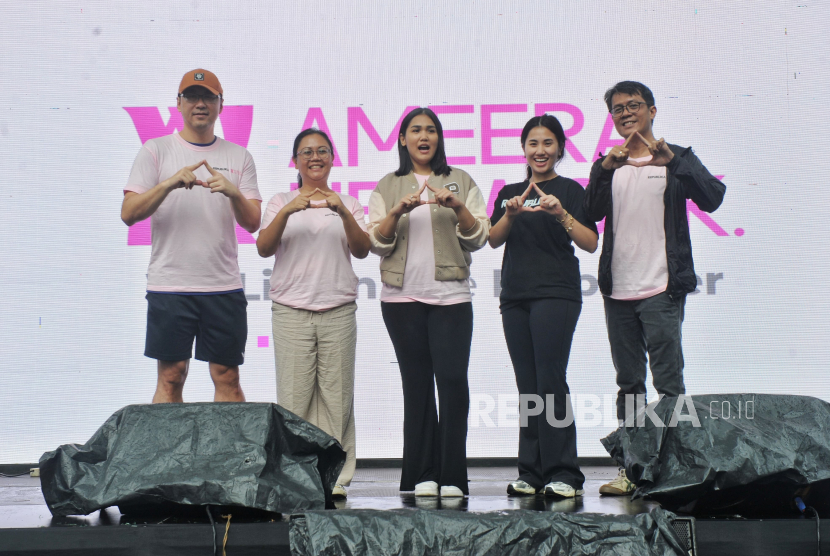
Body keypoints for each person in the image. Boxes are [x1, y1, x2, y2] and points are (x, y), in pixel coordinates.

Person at [583, 81, 726, 495]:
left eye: (634, 105)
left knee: (670, 386)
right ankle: (633, 468)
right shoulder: (608, 162)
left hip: (661, 288)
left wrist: (675, 164)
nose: (626, 113)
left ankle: (676, 469)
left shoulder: (676, 157)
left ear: (653, 110)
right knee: (629, 385)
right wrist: (604, 171)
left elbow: (713, 198)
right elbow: (590, 213)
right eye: (617, 109)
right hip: (617, 291)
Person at [367, 108, 490, 498]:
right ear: (402, 139)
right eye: (416, 130)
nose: (424, 136)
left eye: (431, 130)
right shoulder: (388, 185)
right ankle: (422, 473)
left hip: (451, 297)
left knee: (453, 383)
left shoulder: (461, 181)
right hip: (401, 298)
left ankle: (453, 473)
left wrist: (455, 207)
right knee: (416, 385)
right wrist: (397, 211)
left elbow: (478, 237)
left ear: (439, 138)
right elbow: (376, 242)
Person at [121, 69, 262, 404]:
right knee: (171, 378)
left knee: (228, 378)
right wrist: (168, 183)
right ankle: (168, 459)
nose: (201, 104)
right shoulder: (156, 150)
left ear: (220, 105)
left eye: (209, 97)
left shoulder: (238, 156)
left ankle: (231, 458)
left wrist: (233, 193)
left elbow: (253, 222)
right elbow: (129, 213)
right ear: (179, 104)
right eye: (193, 97)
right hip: (170, 285)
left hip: (222, 285)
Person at [256, 128, 370, 499]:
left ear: (333, 159)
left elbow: (363, 249)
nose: (315, 157)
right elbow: (263, 247)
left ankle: (337, 476)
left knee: (338, 398)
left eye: (322, 151)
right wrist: (290, 210)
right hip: (291, 311)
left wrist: (341, 211)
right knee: (293, 397)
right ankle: (295, 476)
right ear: (295, 161)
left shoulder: (348, 202)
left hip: (337, 309)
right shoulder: (279, 201)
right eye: (306, 152)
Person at [489, 115, 598, 499]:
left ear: (560, 149)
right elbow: (492, 240)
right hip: (515, 296)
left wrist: (560, 214)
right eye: (533, 143)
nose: (540, 151)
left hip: (556, 293)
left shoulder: (570, 190)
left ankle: (564, 473)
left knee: (550, 380)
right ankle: (531, 472)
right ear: (523, 149)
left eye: (548, 143)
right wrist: (510, 213)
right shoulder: (510, 191)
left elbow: (590, 242)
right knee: (528, 385)